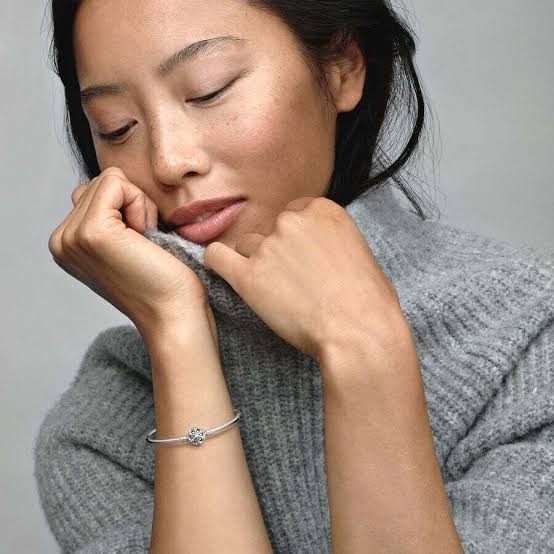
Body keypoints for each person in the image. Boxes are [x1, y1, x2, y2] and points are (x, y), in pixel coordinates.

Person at [34, 0, 554, 552]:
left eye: (208, 90)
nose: (167, 161)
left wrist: (360, 349)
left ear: (342, 67)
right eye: (117, 127)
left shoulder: (530, 340)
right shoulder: (98, 427)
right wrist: (178, 335)